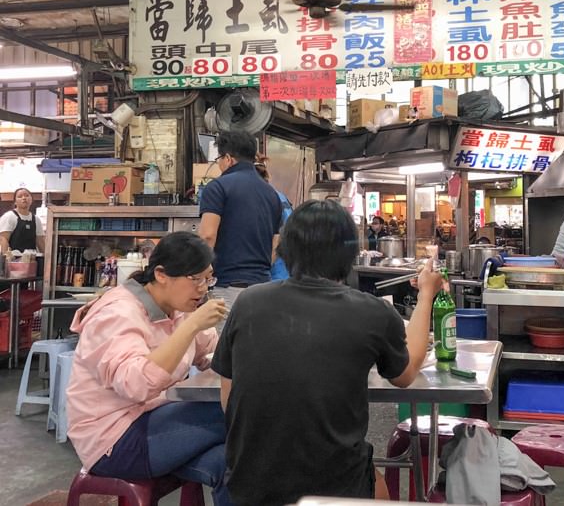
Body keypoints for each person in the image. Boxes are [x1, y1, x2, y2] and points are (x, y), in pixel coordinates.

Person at [211, 199, 444, 506]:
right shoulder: (370, 311)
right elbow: (407, 373)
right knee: (380, 486)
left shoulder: (248, 302)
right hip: (332, 489)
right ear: (348, 254)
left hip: (248, 484)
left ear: (287, 249)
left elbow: (228, 395)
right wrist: (426, 293)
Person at [65, 232, 232, 505]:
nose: (203, 288)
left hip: (155, 418)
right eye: (196, 280)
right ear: (162, 275)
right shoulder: (117, 313)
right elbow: (135, 385)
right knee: (243, 412)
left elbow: (210, 354)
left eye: (208, 278)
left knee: (234, 461)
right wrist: (191, 326)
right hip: (115, 440)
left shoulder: (178, 307)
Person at [199, 130, 282, 309]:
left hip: (227, 288)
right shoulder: (272, 194)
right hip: (263, 289)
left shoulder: (217, 187)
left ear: (228, 158)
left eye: (219, 159)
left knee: (222, 338)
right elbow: (276, 244)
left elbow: (207, 236)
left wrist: (199, 276)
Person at [252, 155, 292, 282]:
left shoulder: (268, 199)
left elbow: (277, 239)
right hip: (285, 272)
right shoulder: (279, 196)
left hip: (274, 273)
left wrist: (265, 268)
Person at [0, 187, 43, 254]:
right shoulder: (9, 216)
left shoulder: (36, 220)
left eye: (27, 195)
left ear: (31, 199)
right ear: (15, 202)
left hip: (31, 260)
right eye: (20, 196)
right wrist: (6, 259)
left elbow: (41, 242)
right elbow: (3, 239)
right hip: (13, 260)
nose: (24, 198)